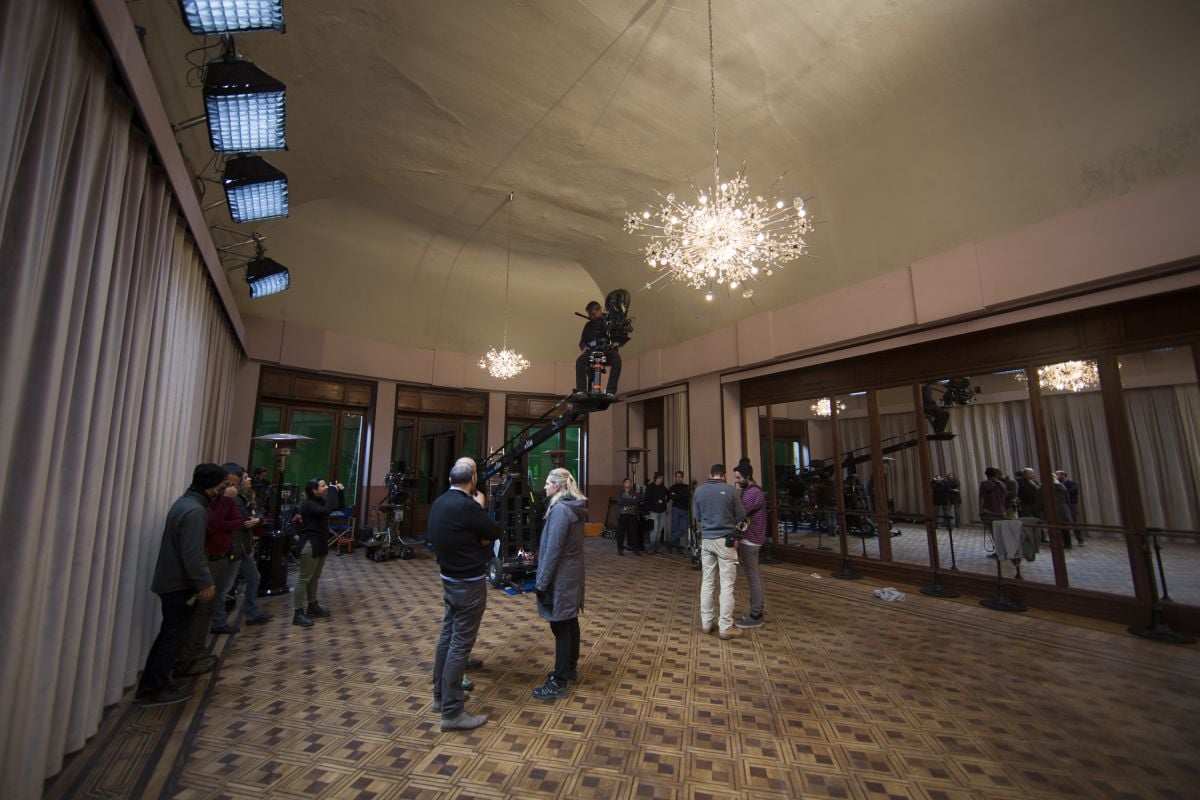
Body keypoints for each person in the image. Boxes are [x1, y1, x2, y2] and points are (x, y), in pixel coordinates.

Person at [135, 464, 225, 707]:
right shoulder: (195, 511)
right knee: (172, 637)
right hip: (178, 584)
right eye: (220, 486)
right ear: (212, 485)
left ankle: (154, 683)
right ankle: (154, 689)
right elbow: (192, 552)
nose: (221, 491)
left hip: (172, 581)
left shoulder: (185, 503)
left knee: (169, 635)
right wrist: (205, 582)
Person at [428, 457, 501, 731]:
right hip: (468, 583)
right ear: (473, 480)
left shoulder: (440, 502)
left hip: (448, 578)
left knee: (447, 637)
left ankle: (440, 696)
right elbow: (494, 531)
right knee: (460, 644)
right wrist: (479, 506)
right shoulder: (467, 506)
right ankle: (452, 711)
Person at [174, 463, 242, 676]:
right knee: (198, 611)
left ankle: (197, 651)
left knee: (207, 610)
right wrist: (225, 504)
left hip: (222, 556)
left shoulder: (216, 501)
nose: (228, 486)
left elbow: (237, 521)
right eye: (226, 483)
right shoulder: (202, 504)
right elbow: (210, 525)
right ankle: (187, 659)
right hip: (207, 560)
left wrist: (224, 520)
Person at [531, 468, 588, 700]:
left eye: (547, 483)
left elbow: (553, 551)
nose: (544, 487)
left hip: (561, 576)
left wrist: (542, 584)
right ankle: (570, 669)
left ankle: (559, 680)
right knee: (569, 621)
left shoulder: (561, 511)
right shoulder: (572, 507)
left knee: (560, 625)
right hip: (571, 574)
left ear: (558, 486)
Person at [693, 463, 746, 640]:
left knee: (707, 582)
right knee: (726, 584)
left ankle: (707, 623)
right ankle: (725, 627)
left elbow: (697, 517)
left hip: (706, 540)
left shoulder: (699, 491)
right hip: (726, 541)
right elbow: (741, 515)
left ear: (710, 474)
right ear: (723, 475)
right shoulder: (731, 490)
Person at [212, 469, 271, 627]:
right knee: (226, 586)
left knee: (253, 577)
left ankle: (251, 612)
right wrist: (255, 519)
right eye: (245, 477)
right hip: (235, 546)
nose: (249, 479)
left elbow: (259, 513)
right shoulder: (231, 498)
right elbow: (241, 519)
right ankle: (218, 621)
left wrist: (257, 519)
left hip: (244, 545)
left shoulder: (245, 495)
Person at [292, 478, 341, 627]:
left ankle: (312, 606)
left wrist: (341, 492)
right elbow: (326, 511)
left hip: (320, 543)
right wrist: (333, 490)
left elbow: (338, 506)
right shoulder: (308, 504)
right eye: (323, 486)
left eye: (326, 485)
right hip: (310, 543)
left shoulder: (319, 502)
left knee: (315, 577)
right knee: (304, 578)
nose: (326, 487)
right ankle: (298, 613)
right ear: (314, 490)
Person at [733, 460, 766, 630]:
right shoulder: (750, 490)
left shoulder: (752, 493)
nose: (736, 481)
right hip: (752, 538)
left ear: (747, 476)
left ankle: (756, 615)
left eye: (738, 478)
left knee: (753, 576)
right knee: (755, 575)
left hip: (751, 539)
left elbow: (741, 514)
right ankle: (757, 609)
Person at [573, 300, 620, 398]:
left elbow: (616, 338)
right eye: (589, 315)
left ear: (599, 310)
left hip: (606, 352)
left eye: (593, 314)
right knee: (580, 360)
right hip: (592, 352)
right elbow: (582, 341)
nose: (591, 317)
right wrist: (584, 347)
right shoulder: (588, 325)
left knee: (616, 359)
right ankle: (581, 391)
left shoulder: (608, 322)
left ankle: (610, 391)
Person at [643, 472, 669, 554]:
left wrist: (665, 503)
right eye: (660, 478)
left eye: (662, 478)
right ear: (655, 478)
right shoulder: (650, 487)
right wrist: (647, 512)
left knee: (659, 530)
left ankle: (657, 547)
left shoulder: (663, 487)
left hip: (662, 512)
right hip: (653, 512)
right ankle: (651, 548)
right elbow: (646, 501)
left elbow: (669, 494)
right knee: (653, 530)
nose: (661, 480)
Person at [1056, 469, 1083, 545]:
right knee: (1061, 523)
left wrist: (1060, 486)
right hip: (1062, 506)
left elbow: (1071, 492)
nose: (1057, 477)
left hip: (1071, 505)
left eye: (1058, 475)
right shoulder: (1057, 485)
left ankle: (1080, 539)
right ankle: (1062, 540)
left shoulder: (1072, 483)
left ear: (1063, 475)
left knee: (1074, 522)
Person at [615, 478, 641, 555]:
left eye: (629, 482)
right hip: (622, 515)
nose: (628, 484)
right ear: (624, 484)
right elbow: (620, 501)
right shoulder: (620, 492)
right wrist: (630, 499)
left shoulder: (634, 493)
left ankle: (635, 549)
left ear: (631, 484)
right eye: (626, 482)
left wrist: (626, 499)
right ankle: (620, 549)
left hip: (632, 515)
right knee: (620, 533)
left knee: (634, 532)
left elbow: (635, 501)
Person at [667, 470, 690, 554]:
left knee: (683, 529)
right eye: (677, 476)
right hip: (675, 509)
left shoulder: (686, 486)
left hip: (685, 510)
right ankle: (676, 546)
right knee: (674, 528)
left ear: (682, 477)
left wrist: (678, 495)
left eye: (680, 476)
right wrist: (682, 495)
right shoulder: (672, 488)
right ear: (675, 477)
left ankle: (670, 541)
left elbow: (687, 498)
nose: (678, 478)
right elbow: (673, 498)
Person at [978, 467, 1007, 534]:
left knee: (994, 533)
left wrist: (981, 511)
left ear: (987, 475)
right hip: (1002, 512)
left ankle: (996, 544)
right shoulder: (1003, 484)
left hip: (990, 512)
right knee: (1002, 534)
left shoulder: (984, 483)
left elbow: (981, 498)